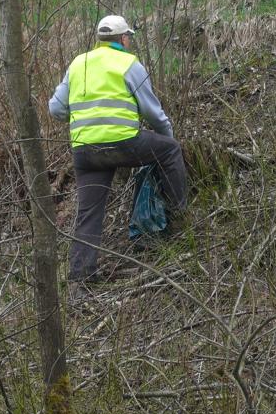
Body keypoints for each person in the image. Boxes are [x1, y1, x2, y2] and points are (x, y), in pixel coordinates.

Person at [48, 14, 188, 285]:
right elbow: (154, 114)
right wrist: (167, 140)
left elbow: (55, 108)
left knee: (89, 214)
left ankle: (80, 281)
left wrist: (86, 119)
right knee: (170, 151)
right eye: (129, 38)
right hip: (124, 144)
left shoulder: (79, 63)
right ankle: (180, 217)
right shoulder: (128, 63)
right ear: (123, 39)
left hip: (86, 152)